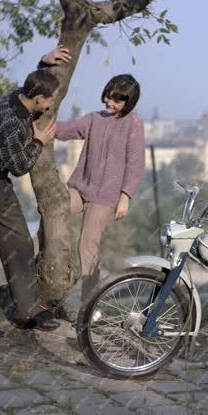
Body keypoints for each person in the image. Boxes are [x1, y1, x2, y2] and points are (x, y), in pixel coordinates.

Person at [0, 49, 68, 337]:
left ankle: (27, 311)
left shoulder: (20, 95)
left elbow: (29, 85)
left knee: (18, 241)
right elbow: (19, 166)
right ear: (39, 100)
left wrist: (43, 63)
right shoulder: (10, 121)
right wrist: (38, 141)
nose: (52, 104)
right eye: (51, 100)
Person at [55, 74, 146, 303]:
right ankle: (27, 263)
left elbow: (136, 163)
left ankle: (90, 304)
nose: (109, 102)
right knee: (52, 211)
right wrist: (44, 125)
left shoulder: (133, 123)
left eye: (117, 100)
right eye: (108, 96)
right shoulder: (94, 118)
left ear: (129, 103)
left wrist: (125, 197)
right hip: (80, 188)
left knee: (87, 246)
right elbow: (67, 130)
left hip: (105, 197)